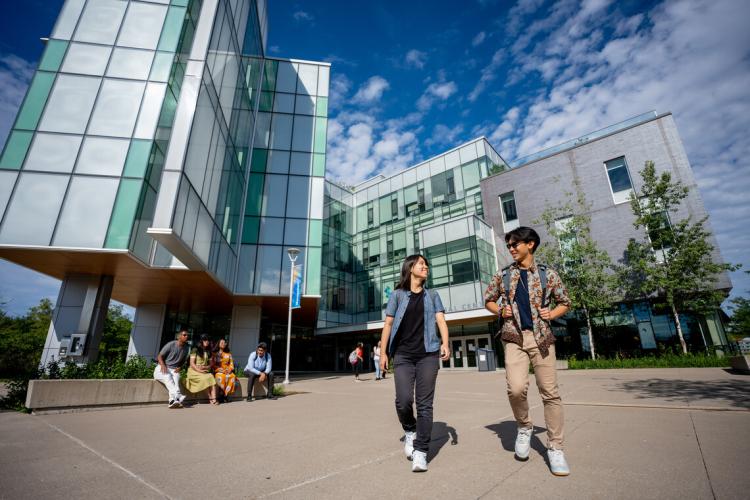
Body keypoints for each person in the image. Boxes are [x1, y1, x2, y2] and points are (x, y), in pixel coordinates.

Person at [484, 226, 572, 476]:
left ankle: (555, 447)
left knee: (550, 393)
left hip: (542, 338)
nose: (511, 248)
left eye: (515, 244)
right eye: (509, 245)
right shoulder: (503, 275)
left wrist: (551, 313)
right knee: (516, 388)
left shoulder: (548, 275)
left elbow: (565, 302)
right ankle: (524, 427)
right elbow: (488, 299)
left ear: (530, 244)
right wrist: (500, 310)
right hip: (514, 338)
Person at [379, 254, 450, 472]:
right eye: (421, 264)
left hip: (428, 354)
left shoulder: (433, 295)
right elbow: (388, 324)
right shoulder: (398, 295)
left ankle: (421, 451)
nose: (426, 267)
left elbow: (440, 320)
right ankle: (410, 430)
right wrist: (383, 353)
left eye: (427, 264)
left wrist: (445, 343)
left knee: (425, 404)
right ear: (410, 268)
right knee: (403, 400)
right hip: (403, 355)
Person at [154, 329, 190, 408]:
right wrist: (163, 365)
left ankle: (172, 401)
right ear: (179, 336)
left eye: (187, 335)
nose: (186, 336)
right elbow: (159, 356)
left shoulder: (186, 349)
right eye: (184, 335)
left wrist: (180, 367)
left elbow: (183, 361)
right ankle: (178, 395)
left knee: (176, 379)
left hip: (174, 370)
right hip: (162, 367)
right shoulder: (171, 344)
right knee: (168, 377)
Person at [186, 334, 219, 405]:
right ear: (201, 341)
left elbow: (211, 364)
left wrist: (206, 367)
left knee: (210, 377)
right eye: (205, 340)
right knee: (206, 378)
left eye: (208, 340)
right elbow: (192, 363)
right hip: (193, 370)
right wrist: (199, 370)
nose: (207, 341)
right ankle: (210, 398)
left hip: (204, 370)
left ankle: (214, 398)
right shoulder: (195, 349)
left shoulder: (208, 351)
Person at [213, 338, 236, 403]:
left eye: (224, 343)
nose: (223, 344)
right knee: (222, 377)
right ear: (218, 344)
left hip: (227, 370)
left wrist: (230, 369)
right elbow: (213, 364)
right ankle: (221, 395)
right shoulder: (215, 354)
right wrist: (218, 369)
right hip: (218, 371)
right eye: (222, 343)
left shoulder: (229, 354)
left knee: (232, 376)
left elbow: (231, 364)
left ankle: (225, 395)